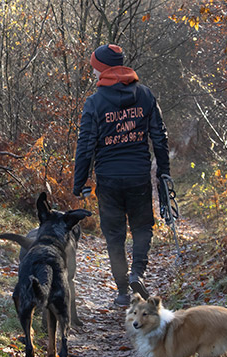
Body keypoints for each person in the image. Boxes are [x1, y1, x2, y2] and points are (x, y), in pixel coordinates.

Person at [73, 44, 170, 307]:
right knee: (141, 228)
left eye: (95, 67)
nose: (93, 72)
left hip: (109, 179)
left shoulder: (95, 102)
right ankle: (138, 272)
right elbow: (159, 137)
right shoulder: (145, 95)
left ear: (103, 68)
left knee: (114, 235)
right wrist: (163, 172)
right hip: (138, 175)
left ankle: (123, 292)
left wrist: (79, 182)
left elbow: (86, 145)